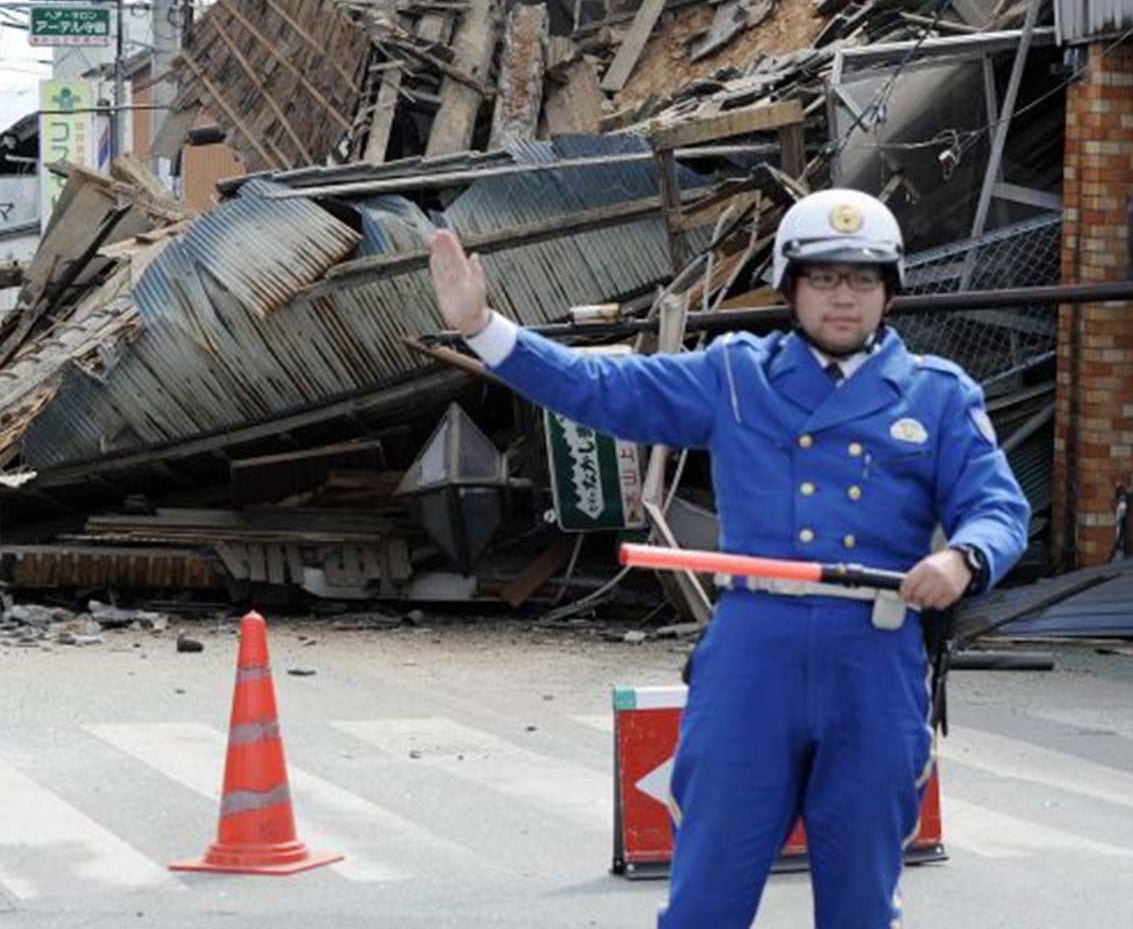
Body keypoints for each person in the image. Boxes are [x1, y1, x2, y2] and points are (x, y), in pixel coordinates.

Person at [428, 187, 1028, 929]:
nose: (845, 298)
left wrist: (964, 560)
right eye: (825, 278)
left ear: (889, 293)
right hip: (753, 655)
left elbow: (999, 507)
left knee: (863, 904)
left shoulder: (937, 396)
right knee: (708, 893)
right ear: (791, 287)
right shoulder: (736, 377)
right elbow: (602, 389)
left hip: (874, 660)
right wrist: (484, 330)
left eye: (864, 280)